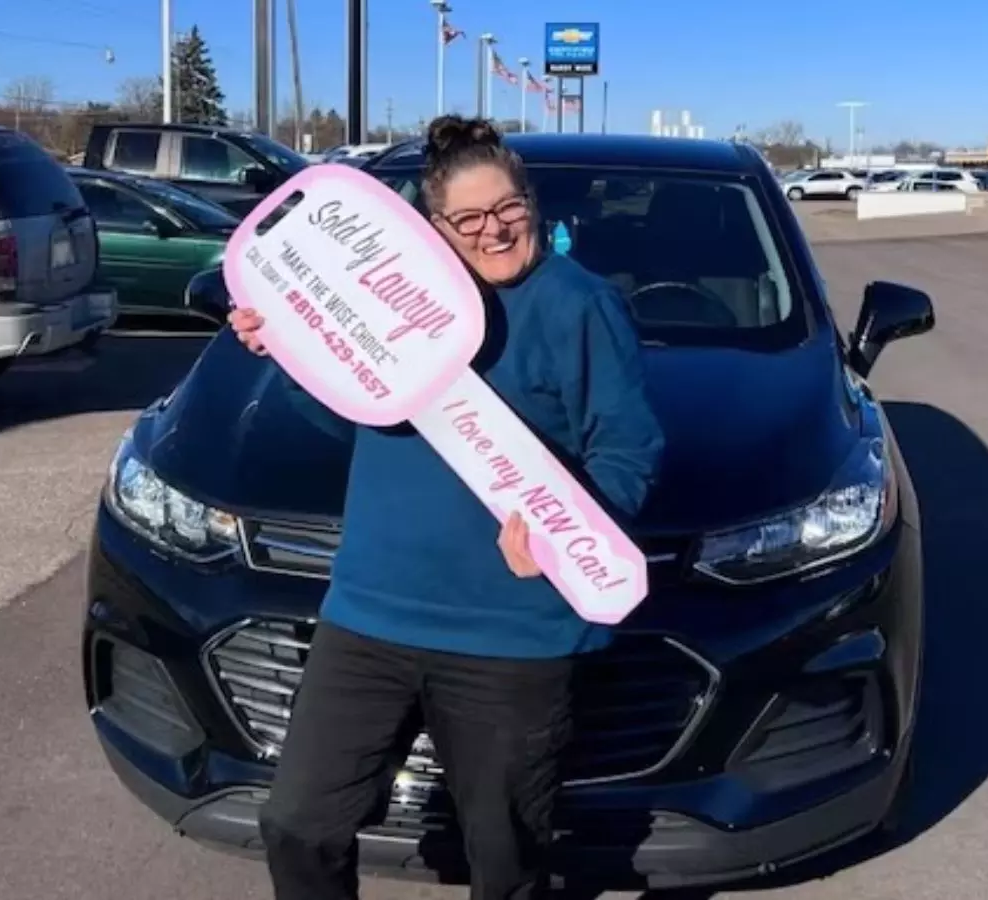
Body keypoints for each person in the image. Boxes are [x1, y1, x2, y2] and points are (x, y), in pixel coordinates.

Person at [227, 115, 666, 900]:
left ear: (531, 203)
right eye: (470, 219)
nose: (494, 231)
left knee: (504, 857)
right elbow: (350, 414)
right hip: (370, 616)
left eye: (509, 209)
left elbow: (627, 451)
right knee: (297, 824)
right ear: (434, 228)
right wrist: (289, 350)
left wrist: (568, 538)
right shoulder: (390, 296)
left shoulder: (579, 306)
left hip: (511, 638)